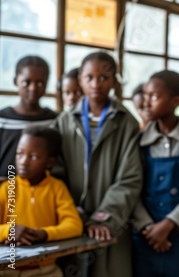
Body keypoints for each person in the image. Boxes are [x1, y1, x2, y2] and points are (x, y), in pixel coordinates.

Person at [52, 51, 142, 277]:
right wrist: (74, 214)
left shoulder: (126, 122)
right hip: (69, 221)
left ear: (113, 80)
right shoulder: (63, 121)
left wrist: (104, 218)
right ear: (80, 79)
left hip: (111, 224)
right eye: (89, 77)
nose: (96, 84)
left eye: (103, 77)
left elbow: (129, 178)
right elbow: (55, 174)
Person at [131, 69, 179, 277]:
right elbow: (131, 187)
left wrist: (168, 225)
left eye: (154, 97)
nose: (146, 102)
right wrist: (149, 228)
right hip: (145, 235)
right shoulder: (139, 140)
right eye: (146, 95)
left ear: (175, 101)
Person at [0, 125, 83, 277]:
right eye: (19, 154)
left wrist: (44, 234)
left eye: (33, 157)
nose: (23, 162)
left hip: (45, 271)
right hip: (6, 271)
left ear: (50, 162)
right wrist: (9, 231)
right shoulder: (6, 188)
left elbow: (74, 225)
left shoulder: (57, 188)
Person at [0, 55, 58, 181]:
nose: (33, 88)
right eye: (27, 82)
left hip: (44, 195)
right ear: (16, 81)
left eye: (40, 83)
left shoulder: (55, 120)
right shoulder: (2, 119)